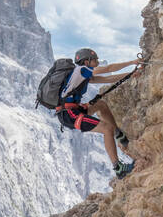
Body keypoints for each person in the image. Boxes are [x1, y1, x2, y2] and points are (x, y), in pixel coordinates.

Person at [56, 47, 143, 179]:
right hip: (69, 114)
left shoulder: (84, 75)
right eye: (94, 59)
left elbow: (108, 79)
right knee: (106, 129)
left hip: (72, 110)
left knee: (100, 105)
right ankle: (118, 168)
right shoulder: (81, 70)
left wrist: (130, 74)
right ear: (86, 62)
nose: (97, 61)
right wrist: (132, 62)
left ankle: (118, 134)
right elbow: (109, 69)